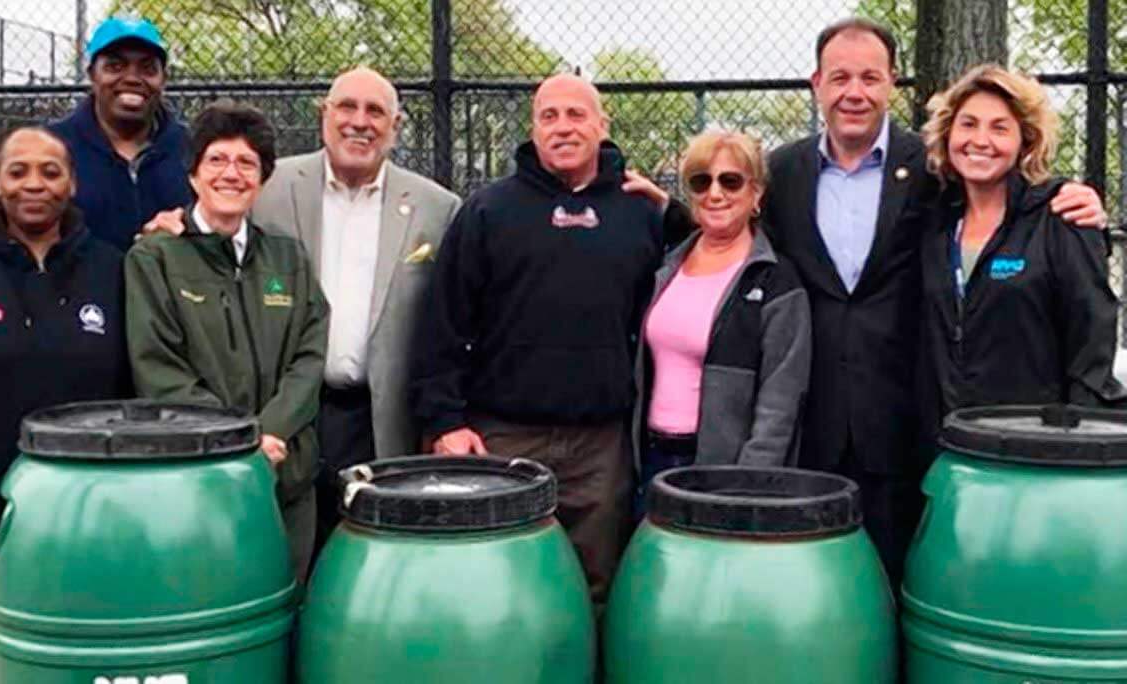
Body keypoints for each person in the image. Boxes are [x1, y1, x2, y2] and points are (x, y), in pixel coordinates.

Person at [623, 17, 1107, 592]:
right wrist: (676, 211)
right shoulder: (782, 172)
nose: (855, 92)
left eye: (870, 78)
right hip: (812, 418)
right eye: (840, 77)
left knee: (913, 579)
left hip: (907, 417)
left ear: (891, 83)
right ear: (816, 84)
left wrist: (1070, 195)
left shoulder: (933, 171)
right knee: (813, 587)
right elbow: (735, 236)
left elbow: (1000, 194)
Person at [412, 73, 665, 605]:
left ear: (602, 125)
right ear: (533, 129)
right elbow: (442, 321)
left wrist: (675, 210)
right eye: (549, 116)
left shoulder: (640, 212)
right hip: (503, 436)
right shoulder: (487, 210)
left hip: (602, 444)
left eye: (576, 115)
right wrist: (445, 421)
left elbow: (688, 290)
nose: (563, 127)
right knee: (500, 587)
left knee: (597, 588)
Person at [0, 127, 130, 683]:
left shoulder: (111, 269)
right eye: (18, 171)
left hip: (83, 517)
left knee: (70, 662)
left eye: (50, 171)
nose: (33, 184)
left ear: (72, 183)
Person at [249, 67, 461, 545]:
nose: (359, 122)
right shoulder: (268, 187)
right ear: (324, 113)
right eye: (346, 107)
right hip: (288, 414)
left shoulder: (437, 208)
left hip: (381, 419)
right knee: (287, 551)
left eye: (375, 111)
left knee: (373, 556)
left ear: (396, 126)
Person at [125, 100, 328, 583]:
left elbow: (310, 352)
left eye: (247, 163)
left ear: (262, 179)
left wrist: (273, 432)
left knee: (286, 612)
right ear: (193, 174)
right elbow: (159, 368)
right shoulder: (154, 258)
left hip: (286, 478)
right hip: (202, 478)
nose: (231, 173)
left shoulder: (287, 257)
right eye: (217, 159)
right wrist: (239, 441)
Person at [918, 65, 1123, 432]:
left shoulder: (1061, 217)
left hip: (1031, 450)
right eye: (968, 124)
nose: (980, 140)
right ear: (948, 134)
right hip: (949, 446)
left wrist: (1077, 440)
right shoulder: (933, 222)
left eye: (999, 128)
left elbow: (1091, 348)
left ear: (1025, 141)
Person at [632, 130, 811, 515]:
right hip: (653, 460)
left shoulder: (777, 281)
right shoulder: (667, 267)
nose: (715, 193)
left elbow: (781, 400)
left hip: (724, 471)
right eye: (701, 181)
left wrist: (750, 481)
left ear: (756, 193)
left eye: (731, 181)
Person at [49, 15, 190, 252]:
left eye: (147, 68)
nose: (132, 78)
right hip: (77, 288)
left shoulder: (192, 147)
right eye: (115, 66)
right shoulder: (52, 146)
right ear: (92, 75)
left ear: (163, 79)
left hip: (170, 288)